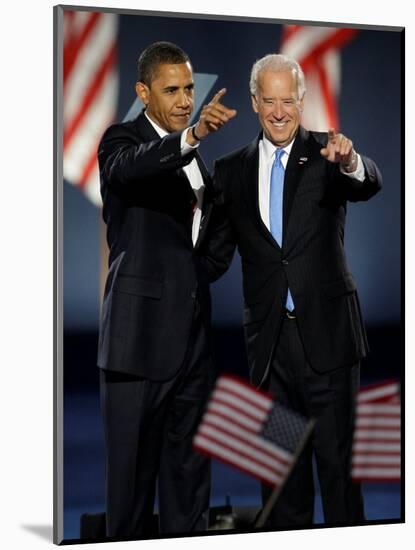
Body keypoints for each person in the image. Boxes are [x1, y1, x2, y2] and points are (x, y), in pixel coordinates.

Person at [212, 53, 382, 528]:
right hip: (271, 354)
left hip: (327, 345)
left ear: (303, 100)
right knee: (282, 486)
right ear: (254, 102)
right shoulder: (231, 170)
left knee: (339, 478)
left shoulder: (330, 152)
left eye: (289, 100)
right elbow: (213, 255)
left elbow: (369, 181)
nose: (280, 111)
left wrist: (350, 162)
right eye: (270, 101)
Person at [97, 41, 236, 538]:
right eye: (171, 89)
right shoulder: (121, 141)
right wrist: (193, 135)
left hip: (194, 348)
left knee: (190, 487)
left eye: (190, 89)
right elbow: (129, 168)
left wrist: (199, 277)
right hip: (136, 347)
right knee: (131, 494)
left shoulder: (197, 159)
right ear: (143, 92)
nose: (183, 100)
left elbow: (209, 240)